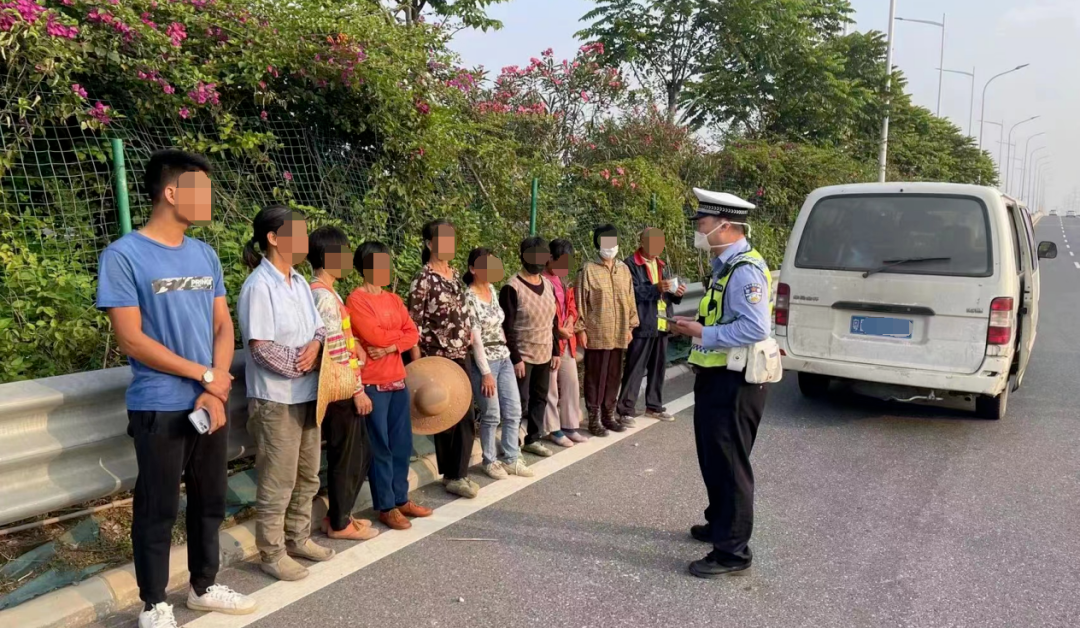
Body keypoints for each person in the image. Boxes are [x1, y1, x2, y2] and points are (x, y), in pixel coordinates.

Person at [97, 149, 255, 628]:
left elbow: (223, 326)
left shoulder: (204, 254)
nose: (210, 199)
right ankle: (154, 603)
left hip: (209, 400)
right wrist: (203, 375)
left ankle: (203, 586)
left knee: (211, 498)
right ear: (171, 192)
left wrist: (215, 385)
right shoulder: (123, 255)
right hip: (159, 403)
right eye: (201, 190)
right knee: (158, 506)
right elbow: (131, 338)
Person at [671, 189, 772, 579]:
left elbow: (754, 327)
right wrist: (696, 326)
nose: (698, 230)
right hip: (716, 376)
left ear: (725, 226)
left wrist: (701, 332)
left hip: (736, 381)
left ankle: (732, 551)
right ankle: (720, 523)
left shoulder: (744, 269)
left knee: (730, 464)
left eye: (703, 224)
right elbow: (722, 315)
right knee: (714, 457)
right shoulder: (724, 266)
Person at [238, 205, 334, 582]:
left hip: (308, 393)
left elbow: (319, 329)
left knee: (308, 474)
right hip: (276, 398)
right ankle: (272, 552)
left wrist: (316, 346)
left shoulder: (299, 282)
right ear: (274, 238)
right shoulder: (258, 286)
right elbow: (260, 347)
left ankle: (298, 537)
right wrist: (301, 362)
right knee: (278, 480)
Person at [347, 241, 432, 530]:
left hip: (397, 380)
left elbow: (412, 333)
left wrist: (390, 345)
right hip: (373, 383)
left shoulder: (393, 299)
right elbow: (375, 336)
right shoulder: (356, 299)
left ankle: (401, 498)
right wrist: (395, 340)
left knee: (402, 443)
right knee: (380, 446)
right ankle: (385, 505)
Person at [307, 227, 379, 542]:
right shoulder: (323, 297)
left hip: (342, 385)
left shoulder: (325, 292)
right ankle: (339, 523)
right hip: (340, 389)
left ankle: (338, 516)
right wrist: (358, 390)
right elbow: (334, 350)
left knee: (358, 454)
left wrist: (356, 345)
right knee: (348, 456)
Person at [408, 220, 480, 499]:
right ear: (430, 244)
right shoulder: (423, 279)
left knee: (465, 414)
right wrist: (418, 366)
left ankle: (458, 472)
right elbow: (413, 324)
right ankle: (453, 474)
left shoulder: (455, 274)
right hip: (436, 358)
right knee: (444, 416)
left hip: (461, 354)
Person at [463, 248, 535, 479]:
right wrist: (485, 372)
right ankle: (489, 460)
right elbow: (475, 339)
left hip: (503, 356)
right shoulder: (469, 297)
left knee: (513, 410)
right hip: (485, 361)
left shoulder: (492, 290)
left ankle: (512, 458)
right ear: (473, 269)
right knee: (492, 413)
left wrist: (509, 354)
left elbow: (499, 325)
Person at [616, 227, 687, 424]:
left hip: (662, 322)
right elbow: (629, 293)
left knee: (658, 367)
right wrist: (655, 288)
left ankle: (654, 406)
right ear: (643, 242)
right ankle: (625, 410)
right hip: (642, 322)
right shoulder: (630, 264)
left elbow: (667, 292)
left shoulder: (662, 264)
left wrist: (677, 293)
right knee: (635, 367)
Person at [500, 236, 562, 456]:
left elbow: (554, 320)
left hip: (545, 350)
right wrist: (515, 358)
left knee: (540, 397)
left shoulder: (548, 285)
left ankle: (533, 438)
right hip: (523, 354)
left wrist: (556, 351)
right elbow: (506, 326)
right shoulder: (512, 287)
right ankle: (511, 444)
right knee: (518, 401)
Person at [575, 224, 639, 436]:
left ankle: (608, 415)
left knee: (613, 374)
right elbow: (580, 302)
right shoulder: (588, 270)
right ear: (598, 243)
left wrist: (630, 326)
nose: (610, 246)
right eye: (605, 241)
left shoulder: (623, 269)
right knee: (596, 376)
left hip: (619, 331)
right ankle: (594, 418)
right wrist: (580, 329)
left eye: (613, 241)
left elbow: (630, 299)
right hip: (597, 332)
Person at [543, 239, 588, 445]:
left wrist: (570, 318)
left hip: (567, 341)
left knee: (571, 383)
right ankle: (553, 429)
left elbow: (571, 305)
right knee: (551, 387)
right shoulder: (541, 280)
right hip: (550, 342)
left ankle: (570, 425)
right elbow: (541, 314)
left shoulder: (563, 280)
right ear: (549, 258)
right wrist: (557, 330)